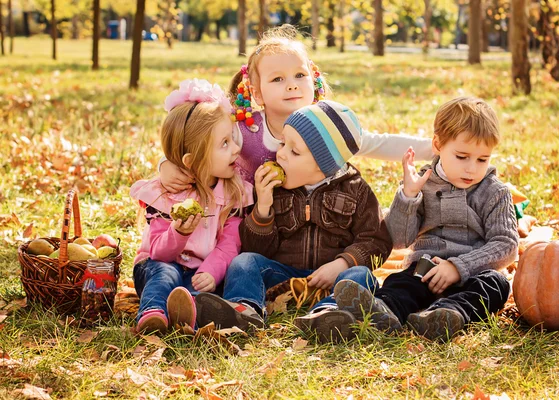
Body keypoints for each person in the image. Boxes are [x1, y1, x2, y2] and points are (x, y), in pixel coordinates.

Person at [195, 100, 393, 343]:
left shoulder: (356, 191)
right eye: (282, 144)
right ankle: (244, 309)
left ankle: (329, 313)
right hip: (285, 278)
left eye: (294, 151)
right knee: (244, 261)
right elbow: (257, 249)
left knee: (361, 274)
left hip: (332, 279)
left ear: (325, 166)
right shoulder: (275, 189)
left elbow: (376, 241)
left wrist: (342, 264)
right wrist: (263, 209)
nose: (281, 154)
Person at [158, 25, 433, 191]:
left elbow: (376, 143)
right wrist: (165, 165)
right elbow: (199, 147)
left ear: (313, 79)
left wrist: (433, 148)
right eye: (278, 79)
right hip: (252, 225)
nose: (292, 85)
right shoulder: (245, 129)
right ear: (256, 92)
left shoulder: (326, 125)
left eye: (299, 76)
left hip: (313, 226)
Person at [334, 96, 519, 341]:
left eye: (482, 159)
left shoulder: (495, 192)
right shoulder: (422, 183)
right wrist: (408, 197)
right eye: (462, 157)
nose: (472, 168)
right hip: (425, 268)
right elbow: (400, 240)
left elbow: (506, 245)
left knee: (496, 285)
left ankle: (447, 315)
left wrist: (457, 267)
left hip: (473, 272)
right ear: (437, 145)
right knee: (401, 282)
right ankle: (385, 311)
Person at [130, 79, 253, 334]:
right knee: (166, 275)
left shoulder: (232, 193)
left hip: (201, 269)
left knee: (201, 291)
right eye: (225, 144)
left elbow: (230, 242)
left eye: (232, 139)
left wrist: (212, 270)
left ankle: (187, 315)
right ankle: (153, 314)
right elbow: (158, 254)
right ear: (192, 160)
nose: (236, 149)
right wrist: (180, 232)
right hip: (156, 267)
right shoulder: (166, 195)